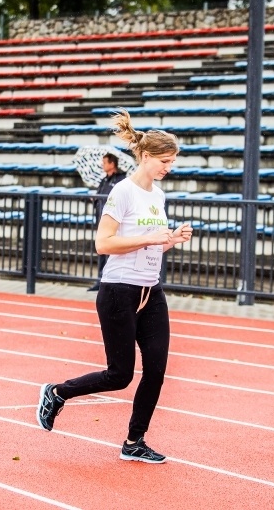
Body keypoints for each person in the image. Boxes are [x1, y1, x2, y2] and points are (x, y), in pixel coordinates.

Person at [36, 108, 193, 464]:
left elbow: (151, 244)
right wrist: (149, 237)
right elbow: (103, 244)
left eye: (172, 161)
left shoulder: (158, 196)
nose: (169, 167)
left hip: (151, 292)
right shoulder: (122, 192)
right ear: (146, 156)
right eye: (165, 161)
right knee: (119, 375)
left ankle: (134, 441)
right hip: (119, 292)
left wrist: (170, 239)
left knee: (156, 371)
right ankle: (57, 393)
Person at [88, 153, 127, 292]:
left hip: (115, 223)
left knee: (112, 252)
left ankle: (111, 281)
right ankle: (101, 280)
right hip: (101, 220)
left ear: (112, 164)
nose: (102, 165)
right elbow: (100, 196)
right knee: (102, 250)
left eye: (104, 162)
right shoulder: (104, 180)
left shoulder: (121, 180)